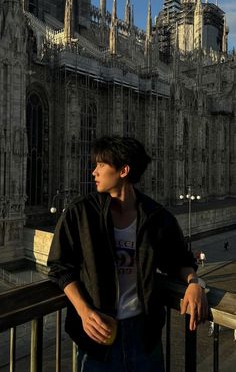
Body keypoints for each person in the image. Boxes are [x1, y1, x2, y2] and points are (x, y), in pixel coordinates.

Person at [48, 136, 208, 372]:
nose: (94, 171)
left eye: (101, 165)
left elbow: (178, 261)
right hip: (98, 337)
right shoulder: (80, 213)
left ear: (123, 170)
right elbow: (61, 267)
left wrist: (194, 283)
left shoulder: (157, 217)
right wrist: (84, 311)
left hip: (144, 337)